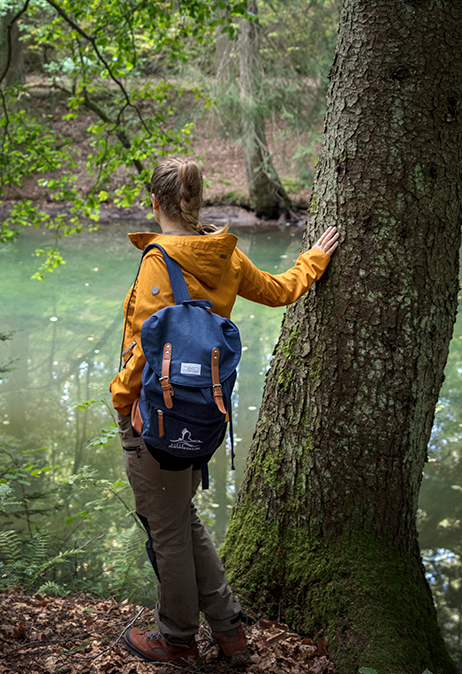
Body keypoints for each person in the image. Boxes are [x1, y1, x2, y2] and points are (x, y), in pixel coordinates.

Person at [113, 157, 340, 666]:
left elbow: (145, 348)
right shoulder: (226, 256)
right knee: (183, 520)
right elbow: (280, 291)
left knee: (167, 531)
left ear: (155, 202)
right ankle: (230, 630)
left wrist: (123, 402)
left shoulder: (158, 260)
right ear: (196, 201)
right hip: (202, 414)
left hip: (154, 415)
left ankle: (175, 639)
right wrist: (314, 260)